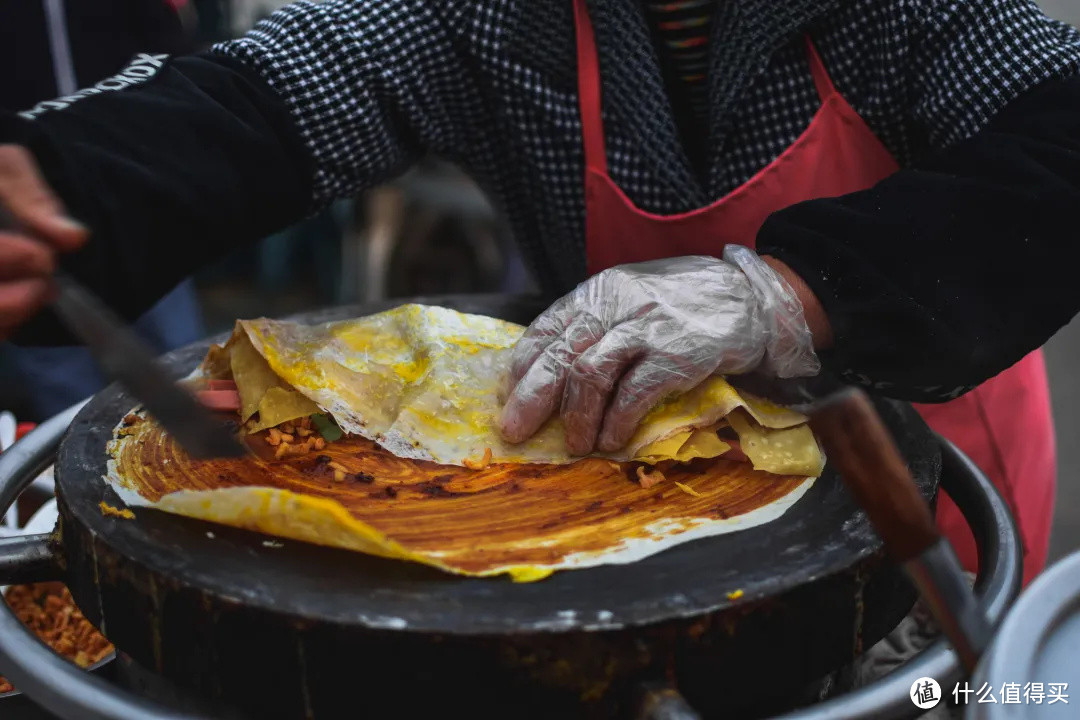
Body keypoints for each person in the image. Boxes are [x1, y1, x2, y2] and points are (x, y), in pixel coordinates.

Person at [1, 0, 1079, 588]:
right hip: (613, 488)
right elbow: (266, 100)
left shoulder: (921, 13)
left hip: (911, 472)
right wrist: (63, 180)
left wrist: (794, 294)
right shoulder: (487, 19)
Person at [0, 0, 205, 420]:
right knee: (59, 371)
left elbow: (169, 50)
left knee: (182, 358)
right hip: (19, 203)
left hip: (138, 195)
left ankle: (203, 468)